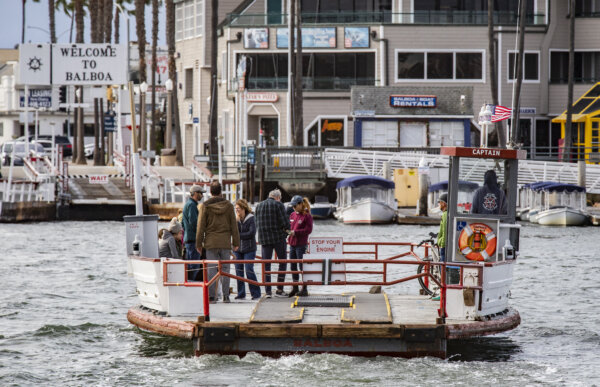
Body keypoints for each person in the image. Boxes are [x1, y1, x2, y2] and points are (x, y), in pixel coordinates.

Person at [196, 181, 240, 303]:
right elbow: (234, 226)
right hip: (225, 242)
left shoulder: (205, 206)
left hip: (210, 243)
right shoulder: (229, 206)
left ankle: (212, 297)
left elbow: (200, 227)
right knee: (225, 270)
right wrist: (236, 242)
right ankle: (226, 296)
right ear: (221, 192)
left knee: (211, 270)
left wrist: (198, 244)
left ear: (210, 192)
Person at [255, 189, 290, 298]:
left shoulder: (258, 206)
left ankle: (268, 291)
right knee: (283, 262)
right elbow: (286, 223)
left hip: (264, 239)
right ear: (278, 197)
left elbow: (256, 223)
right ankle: (279, 289)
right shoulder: (278, 205)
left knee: (266, 265)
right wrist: (285, 234)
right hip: (278, 238)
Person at [233, 199, 261, 300]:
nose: (237, 211)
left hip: (249, 248)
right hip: (237, 249)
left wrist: (238, 236)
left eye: (238, 209)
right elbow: (233, 233)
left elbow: (251, 233)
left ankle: (256, 293)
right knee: (238, 271)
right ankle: (241, 293)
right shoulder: (235, 219)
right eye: (235, 209)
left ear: (244, 208)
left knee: (249, 270)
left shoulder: (251, 218)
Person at [288, 195, 313, 297]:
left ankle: (304, 288)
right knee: (293, 266)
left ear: (300, 204)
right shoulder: (292, 215)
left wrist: (296, 232)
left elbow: (308, 230)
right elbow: (289, 226)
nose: (293, 208)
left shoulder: (307, 215)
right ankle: (295, 287)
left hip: (301, 244)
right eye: (292, 206)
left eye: (295, 206)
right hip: (292, 244)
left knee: (302, 266)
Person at [182, 185, 205, 281]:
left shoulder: (188, 204)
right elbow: (194, 222)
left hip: (188, 239)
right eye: (200, 193)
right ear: (195, 193)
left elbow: (183, 224)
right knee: (194, 265)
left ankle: (189, 283)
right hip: (193, 240)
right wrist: (201, 234)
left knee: (191, 264)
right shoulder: (192, 205)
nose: (202, 195)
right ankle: (191, 284)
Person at [437, 193, 448, 262]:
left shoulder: (445, 215)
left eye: (439, 202)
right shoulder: (447, 213)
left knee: (442, 267)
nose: (438, 204)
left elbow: (444, 231)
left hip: (444, 246)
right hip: (445, 244)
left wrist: (441, 244)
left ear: (443, 203)